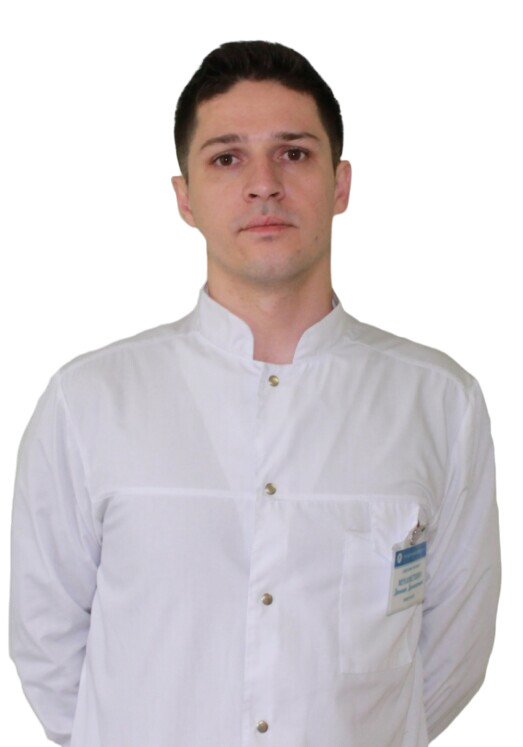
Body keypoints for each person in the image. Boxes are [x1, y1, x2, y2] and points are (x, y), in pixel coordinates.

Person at [9, 40, 501, 747]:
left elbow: (452, 650)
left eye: (293, 153)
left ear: (340, 184)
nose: (263, 184)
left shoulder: (439, 403)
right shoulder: (87, 402)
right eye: (227, 158)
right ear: (184, 197)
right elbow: (46, 641)